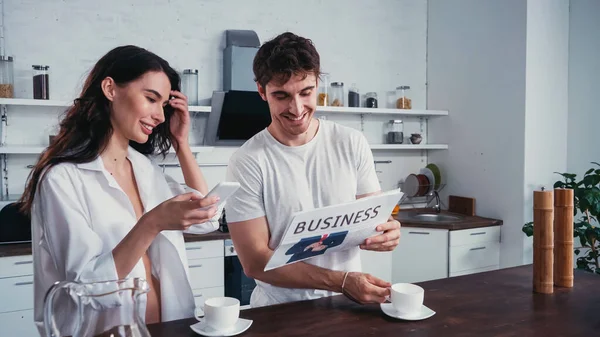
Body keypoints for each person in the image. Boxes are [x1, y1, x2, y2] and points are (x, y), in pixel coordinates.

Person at [18, 45, 221, 336]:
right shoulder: (62, 179)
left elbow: (208, 216)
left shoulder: (144, 169)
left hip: (170, 325)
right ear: (110, 89)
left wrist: (182, 144)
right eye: (151, 98)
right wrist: (152, 223)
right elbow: (87, 287)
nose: (160, 116)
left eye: (164, 105)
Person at [224, 32, 402, 308]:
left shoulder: (351, 142)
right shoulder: (247, 161)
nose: (296, 109)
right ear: (261, 91)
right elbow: (255, 262)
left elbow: (371, 221)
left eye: (306, 93)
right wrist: (341, 281)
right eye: (281, 96)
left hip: (347, 306)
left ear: (317, 83)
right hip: (280, 312)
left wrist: (386, 233)